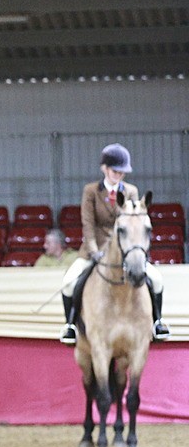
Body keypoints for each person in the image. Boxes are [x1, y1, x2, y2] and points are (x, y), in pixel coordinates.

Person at [60, 143, 170, 344]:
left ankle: (157, 322)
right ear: (104, 168)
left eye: (122, 172)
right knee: (68, 283)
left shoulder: (131, 191)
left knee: (157, 280)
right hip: (95, 250)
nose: (119, 175)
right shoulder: (91, 191)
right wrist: (94, 251)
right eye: (115, 171)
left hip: (125, 251)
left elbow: (135, 224)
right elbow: (88, 224)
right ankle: (71, 325)